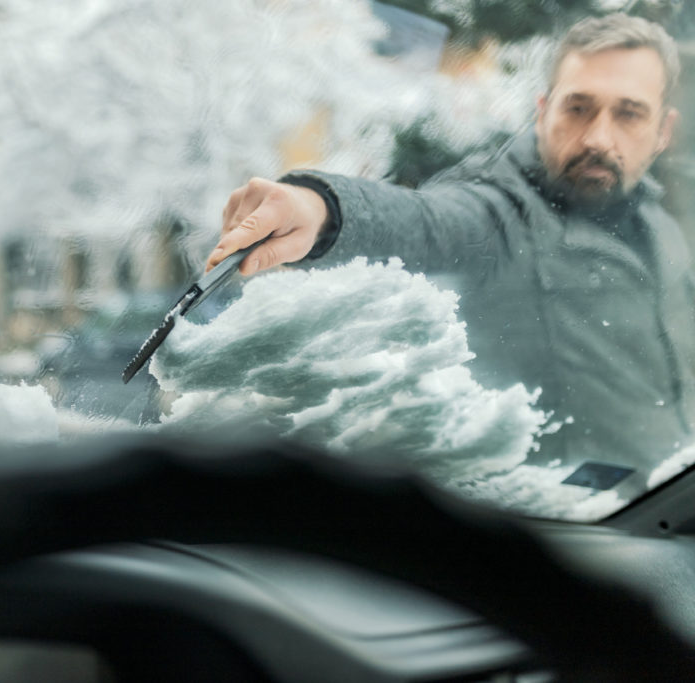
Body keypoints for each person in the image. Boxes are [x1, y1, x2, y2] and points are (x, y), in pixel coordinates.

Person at [205, 13, 692, 483]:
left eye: (629, 114)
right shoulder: (506, 213)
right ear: (543, 113)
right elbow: (428, 222)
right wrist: (320, 208)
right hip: (564, 533)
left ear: (662, 132)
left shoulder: (663, 227)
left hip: (668, 514)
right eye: (578, 108)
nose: (598, 137)